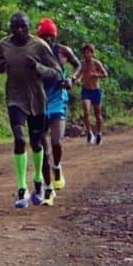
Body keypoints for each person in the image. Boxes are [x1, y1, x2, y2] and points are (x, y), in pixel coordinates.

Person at [0, 11, 63, 208]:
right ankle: (21, 188)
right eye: (15, 27)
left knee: (36, 142)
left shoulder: (39, 46)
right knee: (19, 139)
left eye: (23, 27)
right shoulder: (3, 45)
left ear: (28, 27)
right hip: (15, 97)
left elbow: (57, 72)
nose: (19, 30)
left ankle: (39, 181)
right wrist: (1, 65)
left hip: (37, 99)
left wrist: (38, 68)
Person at [35, 18, 80, 205]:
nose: (48, 40)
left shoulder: (63, 51)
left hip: (58, 100)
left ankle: (57, 167)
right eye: (44, 36)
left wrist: (72, 79)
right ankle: (48, 189)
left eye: (51, 36)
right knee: (44, 150)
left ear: (55, 36)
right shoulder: (34, 52)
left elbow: (78, 65)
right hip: (39, 101)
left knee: (56, 142)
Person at [75, 42, 110, 145]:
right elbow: (80, 74)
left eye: (89, 52)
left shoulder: (96, 63)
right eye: (85, 53)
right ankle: (89, 132)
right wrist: (78, 79)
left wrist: (96, 75)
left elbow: (105, 74)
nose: (87, 55)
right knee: (86, 111)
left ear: (92, 53)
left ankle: (99, 133)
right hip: (86, 90)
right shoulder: (83, 64)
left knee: (97, 114)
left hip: (96, 90)